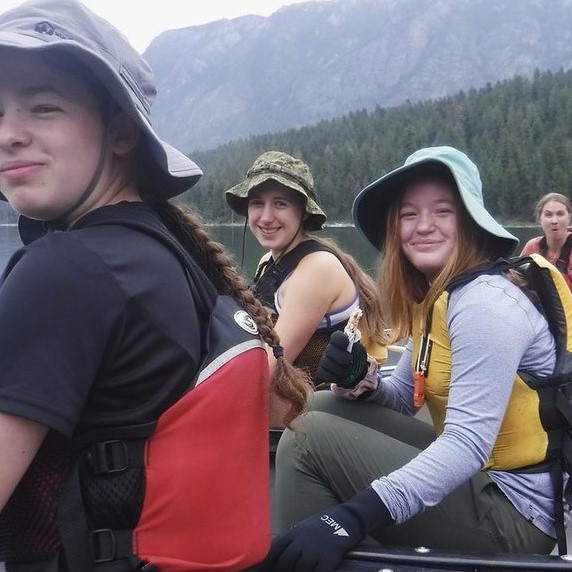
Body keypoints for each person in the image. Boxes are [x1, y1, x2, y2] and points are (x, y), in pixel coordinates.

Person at [0, 1, 312, 571]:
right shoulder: (169, 252)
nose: (9, 135)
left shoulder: (64, 271)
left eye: (43, 108)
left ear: (120, 133)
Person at [261, 146, 563, 572]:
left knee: (308, 440)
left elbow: (466, 445)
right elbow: (403, 397)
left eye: (442, 211)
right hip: (483, 481)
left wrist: (352, 516)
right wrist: (358, 378)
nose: (423, 226)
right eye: (409, 214)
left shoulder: (484, 304)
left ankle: (314, 548)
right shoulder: (439, 295)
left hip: (519, 514)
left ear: (470, 221)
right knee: (316, 406)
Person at [225, 150, 388, 388]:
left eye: (280, 204)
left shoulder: (316, 268)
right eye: (257, 203)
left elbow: (269, 368)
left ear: (303, 212)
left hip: (324, 410)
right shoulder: (268, 262)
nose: (266, 217)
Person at [520, 192, 572, 290]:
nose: (554, 221)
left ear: (569, 217)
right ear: (540, 219)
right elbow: (518, 279)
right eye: (548, 215)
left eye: (560, 214)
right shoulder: (532, 247)